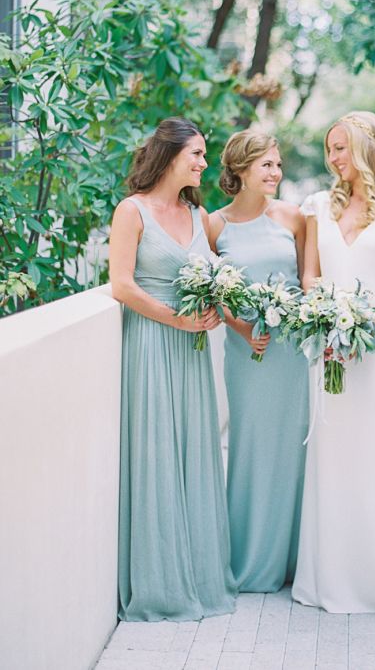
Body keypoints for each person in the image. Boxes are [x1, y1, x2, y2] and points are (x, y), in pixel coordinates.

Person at [292, 110, 375, 616]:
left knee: (374, 453)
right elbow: (310, 275)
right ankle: (325, 578)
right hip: (326, 348)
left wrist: (367, 330)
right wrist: (326, 322)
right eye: (329, 149)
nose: (332, 158)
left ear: (368, 148)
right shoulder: (316, 206)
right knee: (329, 455)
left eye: (340, 147)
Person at [109, 117, 236, 621]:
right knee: (158, 453)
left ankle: (200, 574)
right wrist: (176, 320)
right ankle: (161, 583)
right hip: (152, 344)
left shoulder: (196, 211)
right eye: (198, 154)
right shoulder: (131, 211)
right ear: (170, 155)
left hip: (193, 351)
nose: (205, 163)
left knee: (194, 452)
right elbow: (121, 285)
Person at [208, 130, 308, 592]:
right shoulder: (213, 226)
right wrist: (242, 327)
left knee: (295, 448)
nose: (275, 173)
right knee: (251, 447)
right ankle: (249, 558)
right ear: (241, 169)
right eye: (266, 165)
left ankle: (295, 559)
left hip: (293, 351)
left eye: (278, 165)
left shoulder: (294, 217)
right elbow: (208, 289)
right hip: (247, 352)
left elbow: (310, 283)